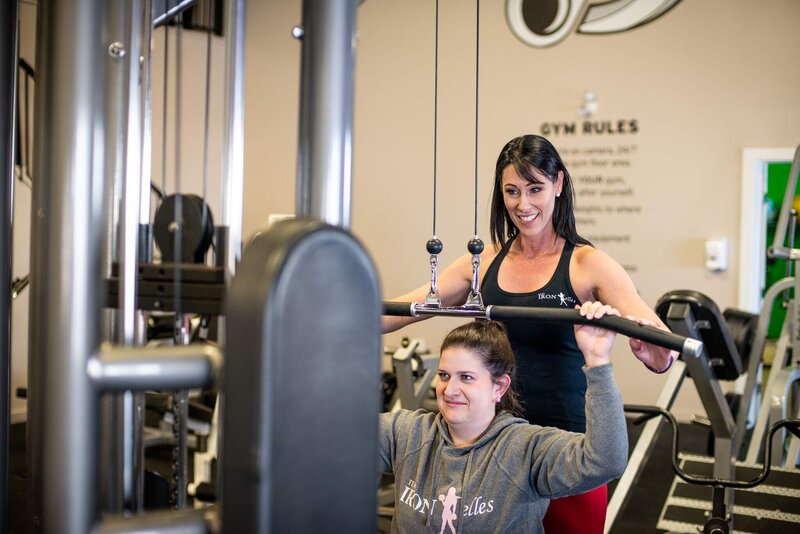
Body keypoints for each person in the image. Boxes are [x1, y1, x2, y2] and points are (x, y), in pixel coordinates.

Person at [383, 134, 675, 532]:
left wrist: (650, 347)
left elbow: (660, 352)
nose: (523, 204)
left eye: (535, 188)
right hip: (497, 450)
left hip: (565, 449)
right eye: (512, 191)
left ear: (558, 184)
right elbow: (406, 309)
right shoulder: (484, 261)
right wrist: (325, 324)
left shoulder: (588, 264)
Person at [378, 302, 628, 533]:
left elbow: (606, 461)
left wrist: (597, 361)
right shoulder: (408, 432)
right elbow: (341, 434)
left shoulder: (526, 449)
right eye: (444, 375)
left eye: (466, 377)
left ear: (499, 387)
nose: (450, 389)